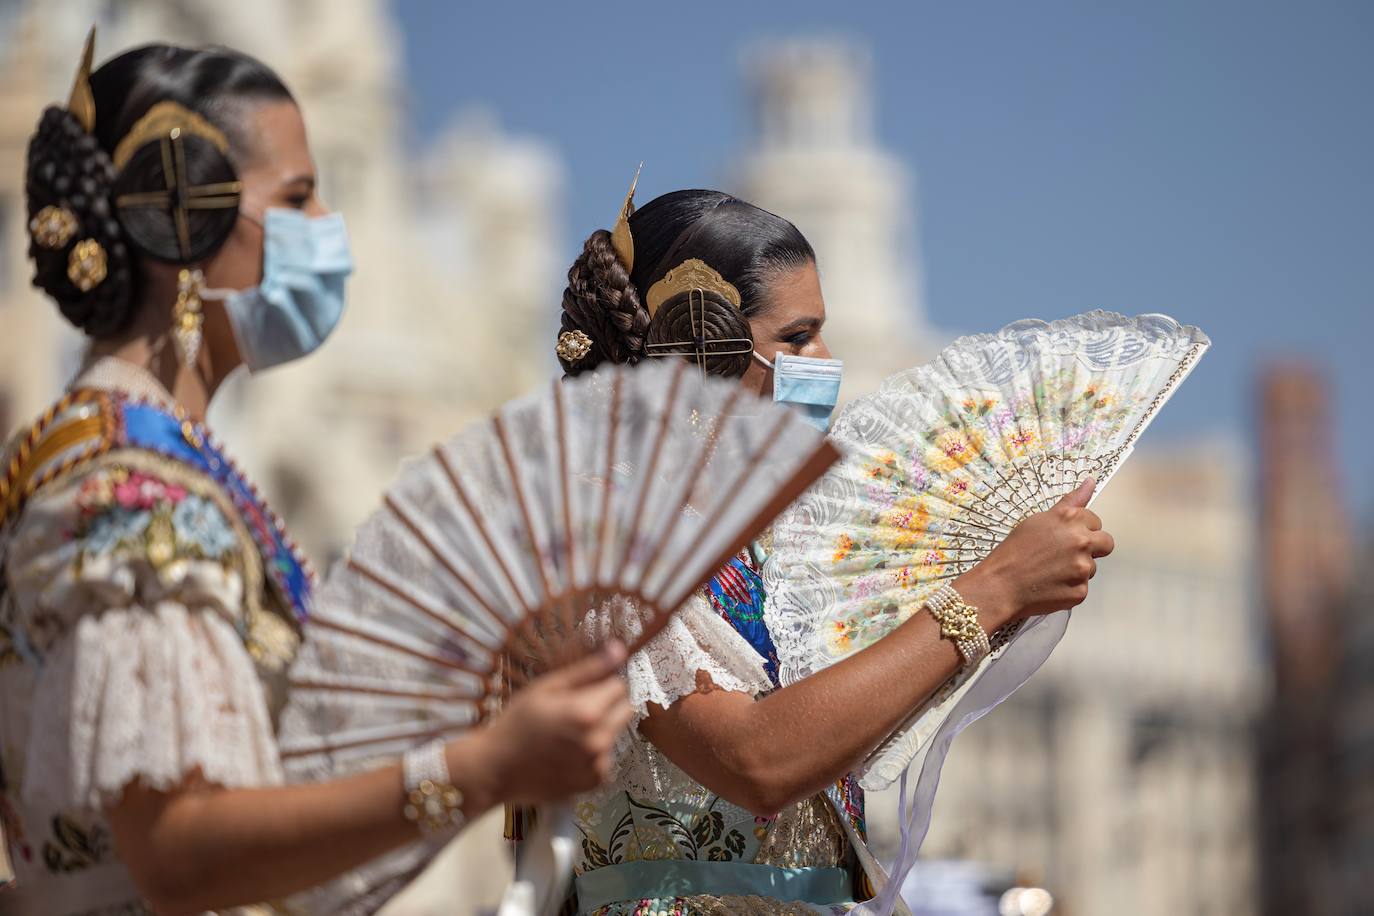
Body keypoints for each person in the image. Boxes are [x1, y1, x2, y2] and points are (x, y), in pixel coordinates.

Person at [0, 32, 633, 915]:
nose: (327, 228)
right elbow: (180, 852)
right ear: (183, 219)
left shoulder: (124, 458)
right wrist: (478, 768)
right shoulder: (127, 489)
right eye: (297, 196)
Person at [548, 186, 1116, 914]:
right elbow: (758, 760)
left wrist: (1007, 586)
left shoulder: (765, 543)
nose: (825, 360)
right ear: (702, 344)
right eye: (796, 337)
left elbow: (843, 731)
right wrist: (992, 588)